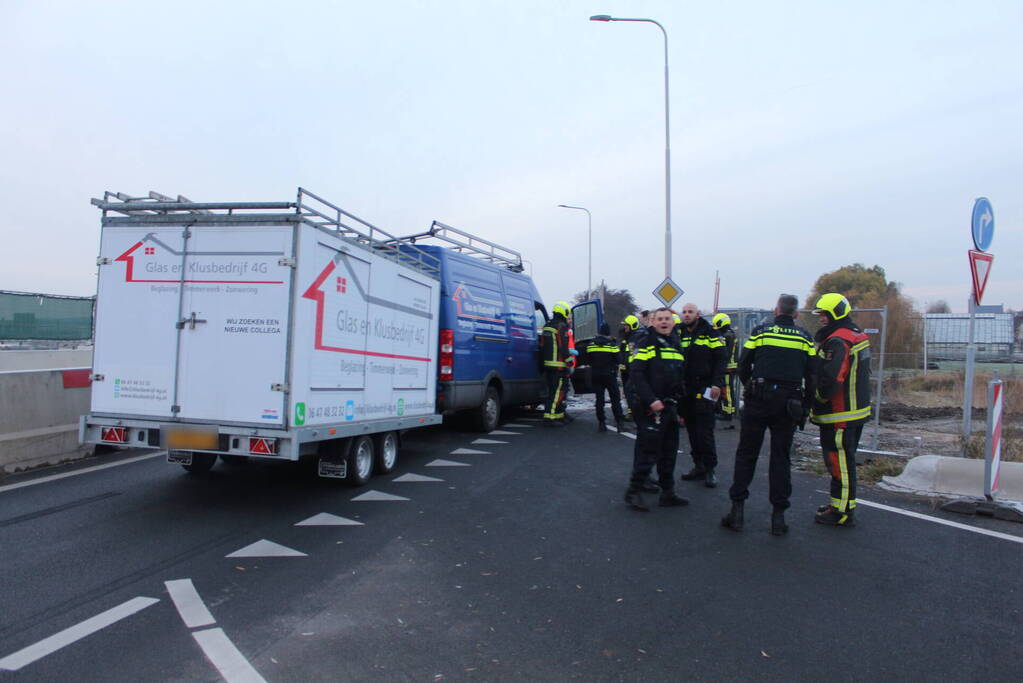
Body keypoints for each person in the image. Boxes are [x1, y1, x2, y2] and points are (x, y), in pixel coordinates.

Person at [722, 295, 817, 535]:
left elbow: (744, 365)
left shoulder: (761, 332)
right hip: (789, 403)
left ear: (776, 311)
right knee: (780, 457)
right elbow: (813, 376)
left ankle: (737, 511)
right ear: (795, 314)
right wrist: (805, 405)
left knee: (747, 454)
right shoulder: (806, 338)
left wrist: (750, 387)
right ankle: (778, 518)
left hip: (759, 399)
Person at [810, 293, 872, 527]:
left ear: (836, 313)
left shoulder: (838, 340)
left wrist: (816, 397)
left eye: (825, 314)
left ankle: (842, 511)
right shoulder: (856, 334)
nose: (822, 319)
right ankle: (838, 504)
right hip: (854, 410)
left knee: (840, 463)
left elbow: (831, 379)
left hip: (841, 413)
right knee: (841, 461)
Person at [623, 307, 689, 511]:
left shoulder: (675, 344)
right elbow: (637, 374)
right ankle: (633, 492)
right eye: (659, 319)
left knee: (669, 450)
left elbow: (679, 376)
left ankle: (668, 493)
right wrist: (651, 400)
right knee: (648, 450)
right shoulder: (645, 342)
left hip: (669, 405)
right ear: (652, 322)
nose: (663, 322)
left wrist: (681, 403)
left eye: (667, 319)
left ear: (673, 322)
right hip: (650, 406)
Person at [677, 303, 727, 487]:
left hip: (705, 387)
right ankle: (698, 466)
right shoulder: (679, 332)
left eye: (690, 312)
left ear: (698, 314)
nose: (687, 315)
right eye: (684, 312)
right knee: (691, 430)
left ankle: (710, 469)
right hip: (686, 389)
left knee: (705, 430)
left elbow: (721, 359)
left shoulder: (710, 333)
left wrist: (716, 383)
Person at [541, 301, 574, 426]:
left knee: (554, 392)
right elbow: (563, 347)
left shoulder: (547, 326)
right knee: (557, 393)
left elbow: (542, 346)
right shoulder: (561, 327)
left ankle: (559, 415)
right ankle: (549, 417)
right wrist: (569, 362)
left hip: (548, 365)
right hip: (559, 366)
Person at [587, 323, 625, 432]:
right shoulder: (612, 345)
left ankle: (601, 423)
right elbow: (619, 359)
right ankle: (619, 423)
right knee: (615, 399)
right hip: (609, 375)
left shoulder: (591, 344)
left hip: (596, 375)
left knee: (599, 399)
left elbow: (588, 358)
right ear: (608, 333)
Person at [712, 313, 738, 427]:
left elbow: (724, 354)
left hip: (728, 367)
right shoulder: (730, 334)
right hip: (729, 366)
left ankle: (728, 413)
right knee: (727, 389)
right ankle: (728, 410)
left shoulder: (727, 335)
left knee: (727, 389)